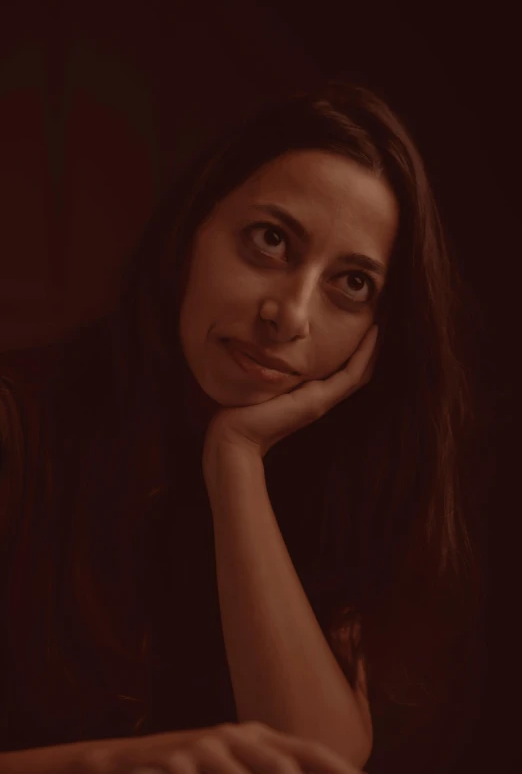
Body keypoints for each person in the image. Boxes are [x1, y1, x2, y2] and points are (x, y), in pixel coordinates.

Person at [0, 81, 484, 773]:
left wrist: (235, 462)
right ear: (192, 231)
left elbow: (318, 760)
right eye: (271, 240)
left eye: (351, 284)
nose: (289, 315)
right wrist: (106, 763)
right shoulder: (17, 427)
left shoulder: (326, 472)